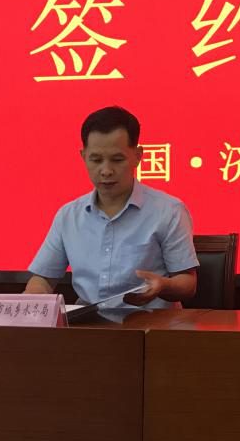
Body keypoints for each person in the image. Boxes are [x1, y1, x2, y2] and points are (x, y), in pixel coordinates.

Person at [25, 106, 197, 309]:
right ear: (83, 156)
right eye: (96, 160)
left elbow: (188, 283)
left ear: (138, 155)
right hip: (88, 323)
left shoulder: (169, 210)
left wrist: (164, 285)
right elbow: (43, 278)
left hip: (151, 323)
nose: (106, 170)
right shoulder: (68, 215)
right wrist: (33, 297)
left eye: (117, 160)